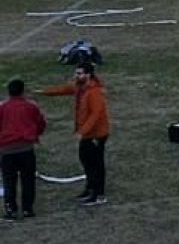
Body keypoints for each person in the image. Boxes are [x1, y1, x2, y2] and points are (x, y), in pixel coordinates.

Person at [38, 62, 110, 206]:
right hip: (88, 134)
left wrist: (82, 131)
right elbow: (64, 89)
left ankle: (98, 194)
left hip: (96, 134)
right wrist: (44, 92)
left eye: (79, 73)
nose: (76, 76)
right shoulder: (80, 87)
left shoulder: (94, 92)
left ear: (88, 75)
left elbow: (96, 114)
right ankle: (90, 188)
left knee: (95, 164)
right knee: (86, 160)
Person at [0, 79, 47, 220]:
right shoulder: (31, 106)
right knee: (28, 180)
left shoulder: (3, 108)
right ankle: (27, 208)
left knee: (9, 181)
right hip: (26, 148)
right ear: (23, 91)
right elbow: (40, 123)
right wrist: (35, 134)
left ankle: (11, 209)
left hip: (7, 150)